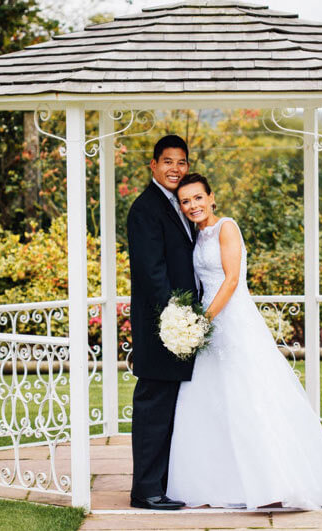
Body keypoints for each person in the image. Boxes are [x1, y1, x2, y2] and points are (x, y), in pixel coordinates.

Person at [166, 173, 322, 509]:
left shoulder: (225, 227)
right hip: (211, 326)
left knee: (252, 399)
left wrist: (202, 322)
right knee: (210, 399)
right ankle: (220, 483)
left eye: (198, 198)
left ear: (211, 197)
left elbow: (230, 282)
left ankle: (274, 481)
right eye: (185, 201)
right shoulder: (197, 234)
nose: (192, 206)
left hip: (231, 319)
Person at [126, 135, 199, 510]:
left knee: (173, 410)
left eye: (182, 162)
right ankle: (146, 491)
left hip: (183, 326)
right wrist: (178, 319)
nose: (175, 168)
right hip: (163, 328)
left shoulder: (182, 204)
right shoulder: (145, 208)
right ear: (152, 165)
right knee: (154, 409)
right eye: (167, 161)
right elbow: (151, 273)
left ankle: (166, 483)